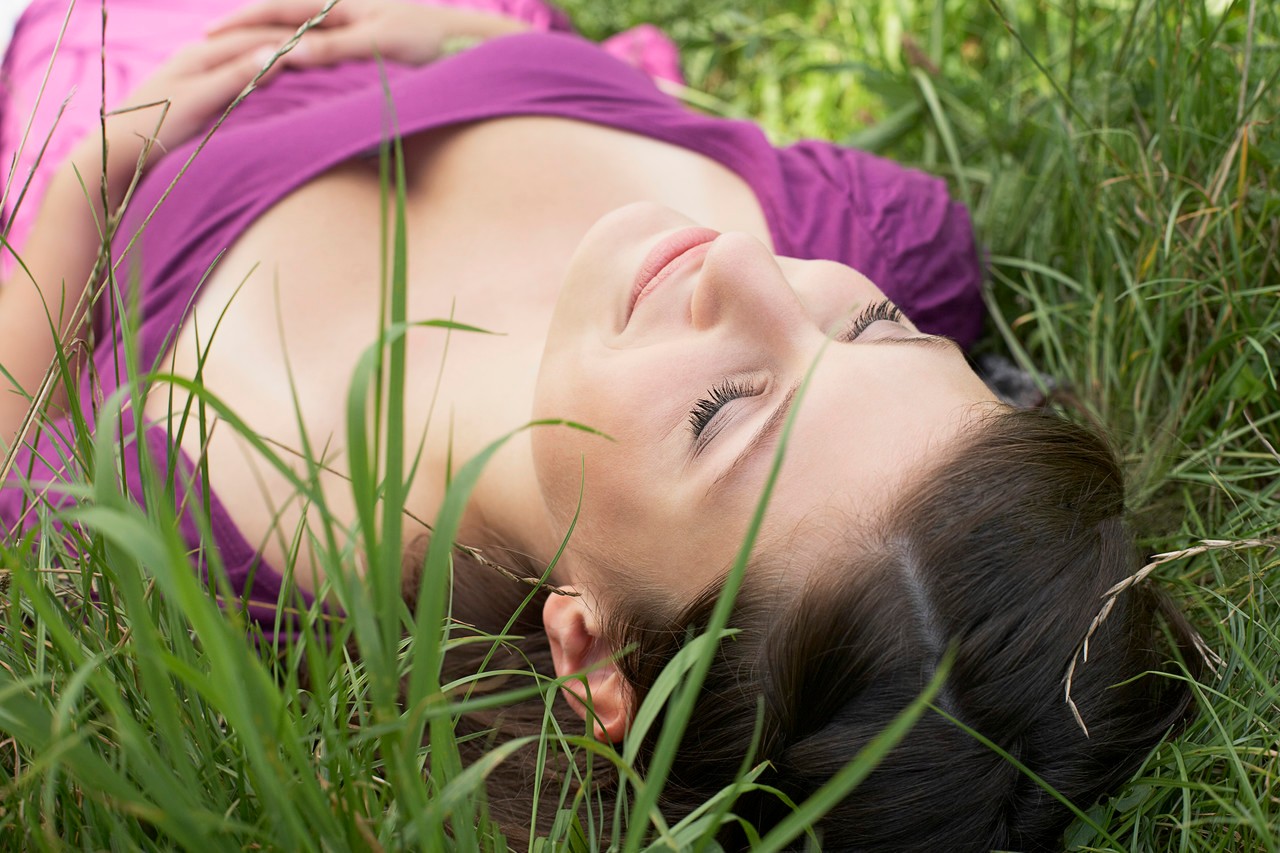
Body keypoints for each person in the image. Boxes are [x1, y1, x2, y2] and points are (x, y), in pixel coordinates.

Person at [0, 0, 1199, 849]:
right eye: (873, 328)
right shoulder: (876, 234)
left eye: (719, 412)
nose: (746, 266)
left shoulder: (226, 514)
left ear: (592, 649)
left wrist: (84, 192)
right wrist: (472, 40)